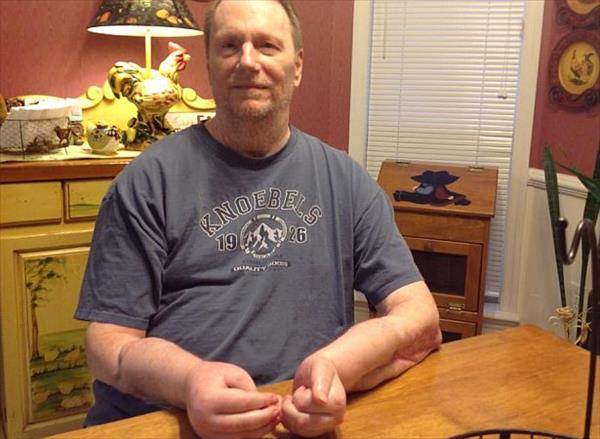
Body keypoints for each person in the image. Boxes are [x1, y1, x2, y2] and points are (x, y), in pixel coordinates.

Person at [75, 0, 442, 437]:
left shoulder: (346, 181)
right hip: (169, 418)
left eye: (267, 45)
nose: (248, 61)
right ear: (209, 64)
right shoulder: (146, 182)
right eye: (230, 46)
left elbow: (418, 313)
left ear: (297, 66)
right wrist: (190, 382)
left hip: (297, 420)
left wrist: (336, 368)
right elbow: (108, 346)